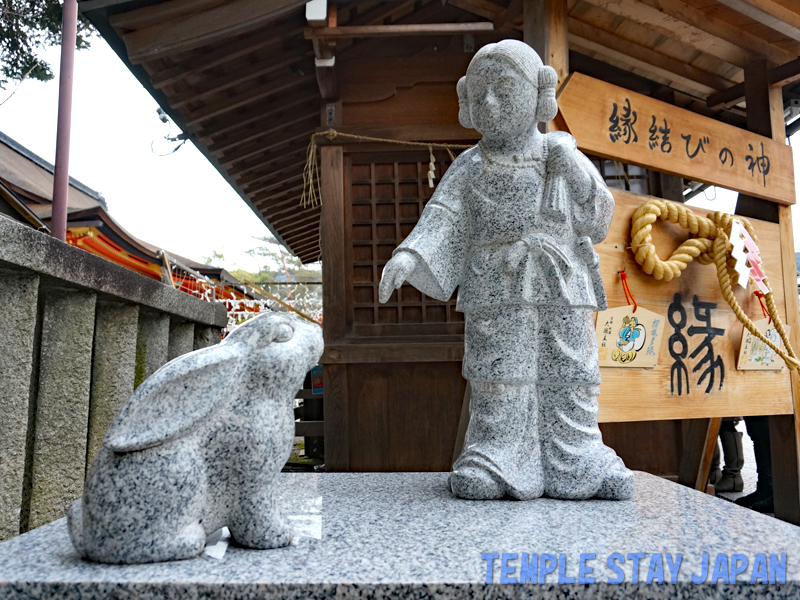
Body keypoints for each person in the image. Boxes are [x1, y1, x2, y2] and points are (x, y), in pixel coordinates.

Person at [378, 40, 634, 501]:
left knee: (572, 371)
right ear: (467, 103)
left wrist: (573, 167)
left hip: (562, 280)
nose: (491, 103)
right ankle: (496, 456)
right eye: (481, 94)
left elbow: (597, 217)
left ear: (538, 95)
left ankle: (579, 457)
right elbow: (443, 219)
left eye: (504, 91)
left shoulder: (560, 154)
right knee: (499, 372)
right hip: (497, 282)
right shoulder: (469, 167)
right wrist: (409, 257)